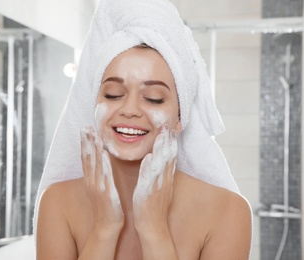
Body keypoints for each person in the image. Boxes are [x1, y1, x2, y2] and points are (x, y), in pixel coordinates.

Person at [34, 0, 252, 259]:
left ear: (180, 117)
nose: (129, 109)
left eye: (154, 98)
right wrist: (105, 229)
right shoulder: (58, 203)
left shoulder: (227, 212)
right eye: (113, 94)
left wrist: (154, 229)